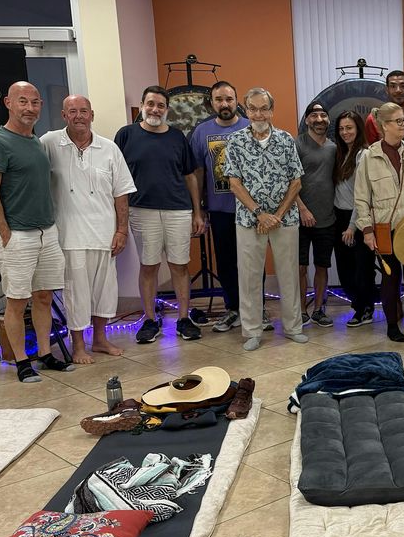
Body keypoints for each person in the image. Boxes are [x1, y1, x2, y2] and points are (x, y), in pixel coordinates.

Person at [0, 81, 72, 383]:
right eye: (22, 102)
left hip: (46, 231)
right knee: (17, 300)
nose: (29, 108)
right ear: (8, 103)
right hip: (17, 235)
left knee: (43, 296)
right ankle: (22, 361)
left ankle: (45, 354)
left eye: (35, 103)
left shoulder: (34, 142)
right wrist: (6, 233)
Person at [42, 95, 135, 364]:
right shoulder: (49, 143)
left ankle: (101, 339)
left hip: (105, 235)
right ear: (63, 115)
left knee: (105, 291)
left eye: (84, 111)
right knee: (76, 294)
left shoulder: (109, 149)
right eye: (73, 111)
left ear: (92, 115)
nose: (79, 116)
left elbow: (121, 193)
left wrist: (121, 231)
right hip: (69, 236)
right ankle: (78, 345)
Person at [116, 85, 205, 344]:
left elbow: (190, 175)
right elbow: (116, 177)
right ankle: (150, 319)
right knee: (149, 265)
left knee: (179, 265)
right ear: (142, 106)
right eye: (150, 104)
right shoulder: (126, 135)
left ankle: (184, 318)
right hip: (142, 209)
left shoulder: (177, 137)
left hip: (178, 209)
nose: (155, 109)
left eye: (161, 105)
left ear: (167, 110)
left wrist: (197, 213)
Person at [222, 87, 308, 351]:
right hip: (250, 220)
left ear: (271, 111)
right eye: (253, 108)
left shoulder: (285, 139)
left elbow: (296, 182)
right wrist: (260, 213)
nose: (258, 113)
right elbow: (234, 183)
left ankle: (293, 327)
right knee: (248, 276)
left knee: (289, 274)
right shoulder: (235, 141)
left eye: (263, 108)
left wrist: (277, 215)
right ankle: (252, 331)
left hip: (285, 219)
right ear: (246, 110)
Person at [354, 102, 404, 343]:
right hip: (384, 229)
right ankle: (392, 325)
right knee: (390, 279)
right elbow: (361, 198)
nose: (403, 124)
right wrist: (367, 231)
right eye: (398, 121)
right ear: (384, 125)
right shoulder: (369, 157)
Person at [189, 81, 249, 333]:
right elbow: (197, 173)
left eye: (229, 99)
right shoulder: (201, 133)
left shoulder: (250, 128)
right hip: (220, 209)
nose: (224, 104)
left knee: (251, 261)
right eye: (219, 99)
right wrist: (198, 209)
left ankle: (256, 310)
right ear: (211, 103)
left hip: (250, 209)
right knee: (225, 262)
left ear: (237, 101)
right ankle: (233, 308)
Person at [296, 101, 338, 329]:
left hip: (327, 219)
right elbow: (289, 182)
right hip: (301, 218)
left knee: (322, 266)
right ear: (307, 119)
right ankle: (301, 310)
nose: (319, 120)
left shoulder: (333, 147)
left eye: (323, 115)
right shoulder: (298, 144)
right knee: (300, 267)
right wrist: (302, 209)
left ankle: (318, 309)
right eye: (314, 115)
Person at [332, 111, 376, 327]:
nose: (345, 132)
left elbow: (363, 195)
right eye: (341, 129)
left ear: (358, 129)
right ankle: (359, 304)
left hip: (358, 219)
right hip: (339, 217)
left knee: (362, 269)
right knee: (345, 270)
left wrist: (351, 226)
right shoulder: (342, 153)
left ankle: (364, 309)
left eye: (349, 128)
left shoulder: (363, 154)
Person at [364, 69, 404, 145]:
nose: (398, 90)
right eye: (393, 86)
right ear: (387, 90)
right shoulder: (374, 119)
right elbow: (371, 151)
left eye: (403, 86)